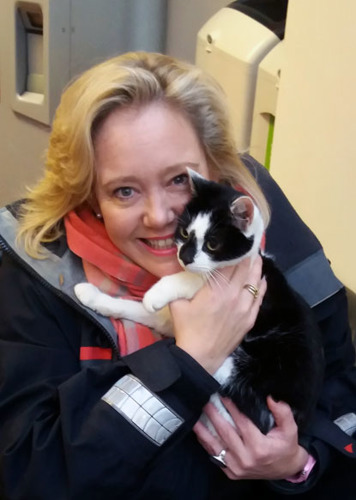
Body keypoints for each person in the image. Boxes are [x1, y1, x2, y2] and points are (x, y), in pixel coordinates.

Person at [0, 52, 355, 500]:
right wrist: (188, 361)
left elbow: (343, 398)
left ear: (213, 167)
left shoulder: (270, 230)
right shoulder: (36, 274)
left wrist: (298, 466)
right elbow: (30, 475)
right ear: (88, 194)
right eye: (124, 191)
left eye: (178, 181)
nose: (160, 217)